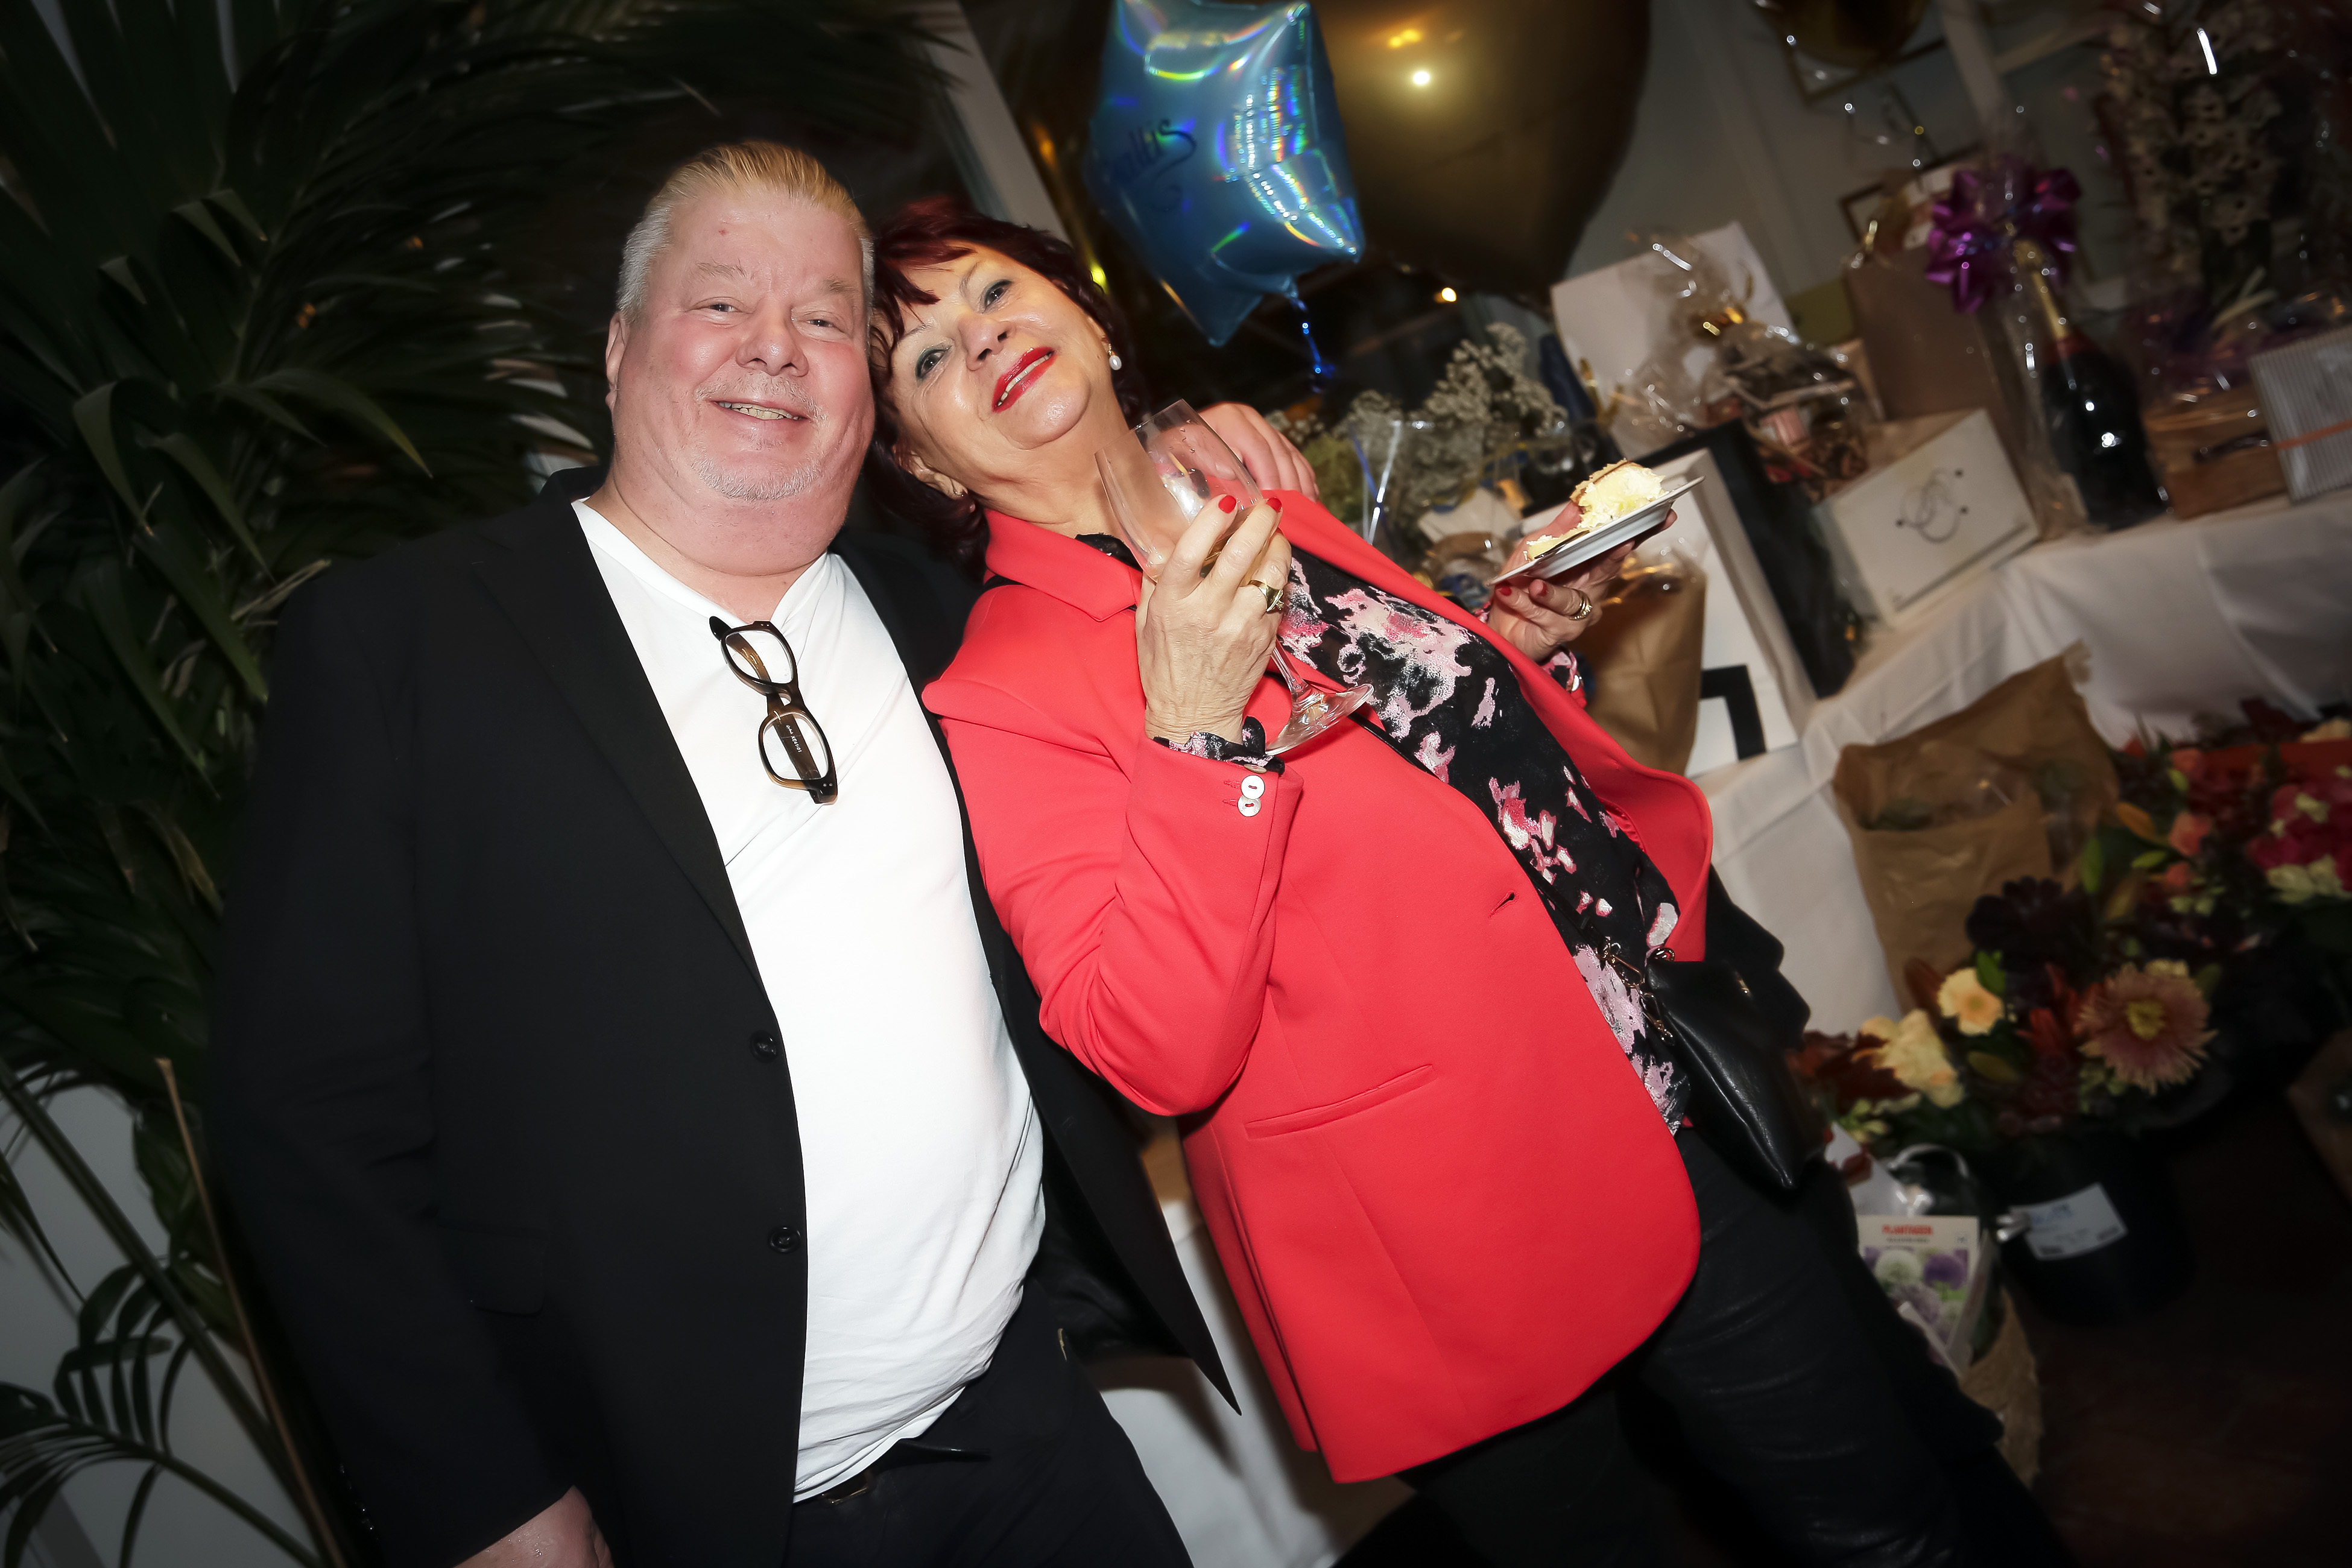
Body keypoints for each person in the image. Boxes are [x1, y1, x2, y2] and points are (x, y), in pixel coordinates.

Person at [867, 197, 2074, 1567]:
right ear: (922, 461)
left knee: (1901, 1501)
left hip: (1650, 1077)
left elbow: (1420, 777)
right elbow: (1150, 1050)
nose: (982, 338)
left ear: (1086, 315)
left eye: (994, 291)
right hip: (1439, 1232)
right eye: (926, 357)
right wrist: (1194, 733)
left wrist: (1509, 647)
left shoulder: (1260, 508)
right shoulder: (998, 693)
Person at [210, 143, 1233, 1568]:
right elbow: (308, 1119)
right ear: (619, 347)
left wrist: (1198, 454)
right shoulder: (408, 643)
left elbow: (1144, 630)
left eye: (824, 316)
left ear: (866, 391)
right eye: (721, 302)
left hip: (1036, 1439)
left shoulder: (943, 607)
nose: (776, 345)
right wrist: (487, 1504)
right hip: (714, 1519)